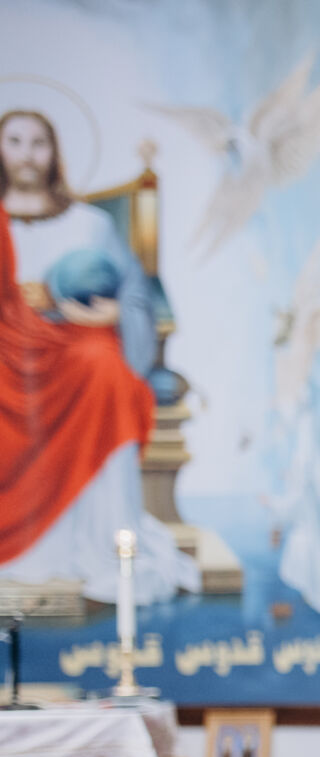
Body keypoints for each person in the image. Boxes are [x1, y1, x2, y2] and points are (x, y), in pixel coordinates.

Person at [0, 109, 196, 604]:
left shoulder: (88, 223)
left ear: (54, 153)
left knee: (105, 367)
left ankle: (106, 542)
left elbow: (133, 294)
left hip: (75, 342)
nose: (27, 154)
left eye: (38, 142)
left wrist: (108, 312)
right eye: (15, 141)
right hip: (7, 346)